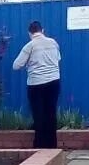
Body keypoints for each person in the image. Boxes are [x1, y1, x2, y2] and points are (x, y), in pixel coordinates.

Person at [13, 21, 62, 149]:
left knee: (38, 114)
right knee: (51, 113)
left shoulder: (30, 46)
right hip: (54, 82)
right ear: (42, 30)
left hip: (36, 84)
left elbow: (16, 65)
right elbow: (58, 59)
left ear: (30, 33)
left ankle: (40, 145)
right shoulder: (53, 43)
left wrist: (29, 64)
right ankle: (52, 145)